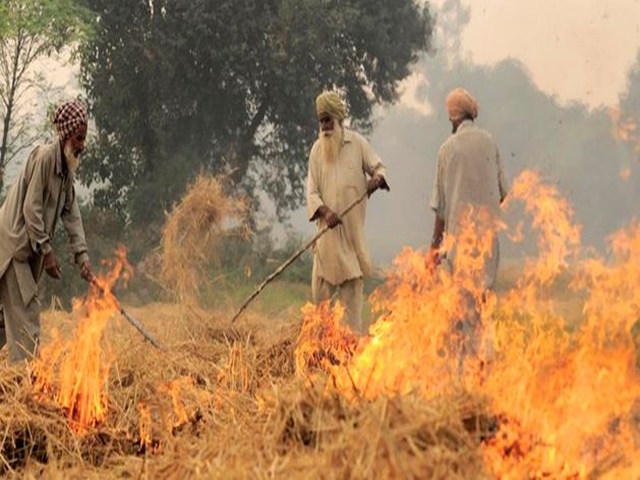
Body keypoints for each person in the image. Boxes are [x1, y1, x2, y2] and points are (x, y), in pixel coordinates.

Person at [0, 99, 94, 363]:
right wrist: (47, 250)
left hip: (24, 250)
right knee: (26, 316)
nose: (82, 146)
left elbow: (72, 214)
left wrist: (82, 257)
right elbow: (32, 210)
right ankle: (24, 387)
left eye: (84, 139)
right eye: (79, 138)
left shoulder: (67, 171)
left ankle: (10, 386)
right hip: (14, 247)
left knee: (7, 321)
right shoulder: (44, 158)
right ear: (65, 135)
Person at [428, 87, 509, 374]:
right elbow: (502, 192)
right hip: (488, 243)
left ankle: (463, 379)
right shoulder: (490, 142)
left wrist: (433, 251)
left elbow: (440, 209)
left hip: (458, 244)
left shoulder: (447, 149)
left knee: (458, 313)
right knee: (482, 308)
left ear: (453, 117)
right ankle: (483, 373)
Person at [306, 91, 389, 334]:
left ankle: (351, 360)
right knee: (320, 316)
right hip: (326, 244)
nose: (324, 126)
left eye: (328, 120)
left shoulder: (358, 144)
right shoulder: (316, 151)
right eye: (321, 121)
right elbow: (311, 193)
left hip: (352, 242)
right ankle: (319, 359)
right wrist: (325, 211)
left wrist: (377, 179)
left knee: (351, 320)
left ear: (339, 119)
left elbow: (380, 167)